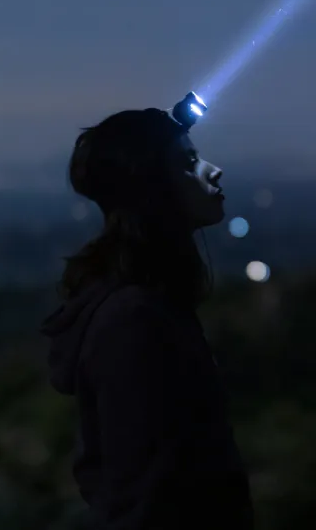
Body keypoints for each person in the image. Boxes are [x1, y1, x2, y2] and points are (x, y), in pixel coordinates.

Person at [40, 108, 253, 529]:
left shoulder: (151, 305)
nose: (214, 171)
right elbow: (141, 494)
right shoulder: (133, 321)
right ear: (152, 189)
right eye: (189, 163)